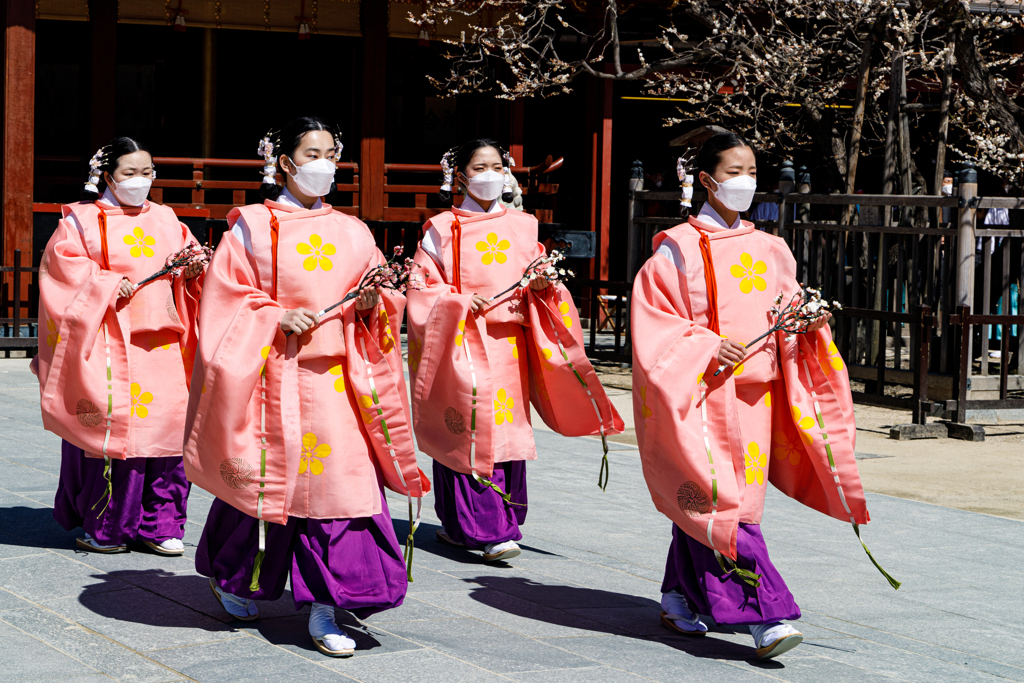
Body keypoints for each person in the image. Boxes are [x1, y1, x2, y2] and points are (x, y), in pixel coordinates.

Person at [631, 132, 885, 660]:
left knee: (722, 501)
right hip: (701, 394)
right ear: (706, 179)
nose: (745, 181)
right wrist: (704, 346)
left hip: (755, 399)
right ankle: (767, 616)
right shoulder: (675, 249)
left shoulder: (771, 248)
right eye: (734, 172)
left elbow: (787, 310)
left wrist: (808, 322)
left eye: (751, 171)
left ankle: (677, 595)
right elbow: (654, 325)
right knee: (728, 506)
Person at [183, 117, 428, 657]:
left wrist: (373, 303)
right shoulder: (249, 225)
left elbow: (383, 296)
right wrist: (274, 315)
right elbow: (224, 301)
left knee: (341, 491)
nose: (324, 164)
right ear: (285, 162)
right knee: (265, 484)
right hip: (272, 378)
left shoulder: (355, 230)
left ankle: (326, 603)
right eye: (311, 153)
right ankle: (236, 576)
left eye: (331, 154)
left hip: (338, 383)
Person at [406, 139, 622, 563]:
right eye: (480, 166)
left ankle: (476, 524)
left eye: (497, 165)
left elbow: (543, 282)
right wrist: (457, 302)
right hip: (462, 343)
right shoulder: (440, 229)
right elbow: (420, 289)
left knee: (505, 430)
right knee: (466, 427)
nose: (491, 173)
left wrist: (546, 287)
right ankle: (488, 529)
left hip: (510, 346)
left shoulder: (524, 225)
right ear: (461, 176)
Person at [35, 137, 202, 555]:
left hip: (162, 336)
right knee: (115, 431)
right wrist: (107, 282)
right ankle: (108, 524)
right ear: (107, 176)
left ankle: (161, 523)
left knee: (166, 430)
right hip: (108, 340)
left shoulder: (166, 218)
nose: (140, 180)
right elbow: (62, 268)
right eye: (130, 173)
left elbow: (188, 258)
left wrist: (196, 267)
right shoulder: (81, 220)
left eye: (147, 172)